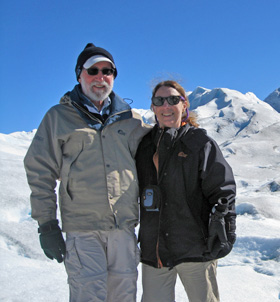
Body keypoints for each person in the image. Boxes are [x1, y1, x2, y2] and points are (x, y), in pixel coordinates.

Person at [24, 43, 151, 302]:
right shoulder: (58, 117)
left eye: (108, 70)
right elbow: (40, 170)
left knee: (124, 297)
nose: (100, 77)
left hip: (123, 229)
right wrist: (47, 225)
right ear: (79, 74)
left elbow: (160, 152)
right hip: (83, 230)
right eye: (93, 70)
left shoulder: (131, 120)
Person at [136, 80, 236, 302]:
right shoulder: (143, 146)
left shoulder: (199, 143)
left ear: (184, 105)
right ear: (152, 107)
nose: (166, 105)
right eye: (159, 100)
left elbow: (222, 188)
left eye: (173, 99)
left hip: (196, 249)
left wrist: (226, 226)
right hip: (155, 250)